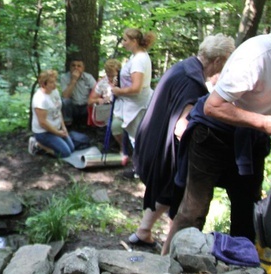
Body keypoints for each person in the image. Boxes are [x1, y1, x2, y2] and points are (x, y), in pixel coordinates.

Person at [162, 17, 271, 255]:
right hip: (212, 135)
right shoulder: (255, 57)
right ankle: (170, 267)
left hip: (250, 137)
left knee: (247, 207)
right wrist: (265, 122)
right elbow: (213, 107)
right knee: (194, 208)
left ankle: (242, 268)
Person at [128, 34, 235, 247]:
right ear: (218, 60)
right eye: (224, 63)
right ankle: (171, 250)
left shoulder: (185, 66)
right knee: (179, 193)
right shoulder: (193, 81)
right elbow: (181, 127)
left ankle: (143, 231)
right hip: (164, 148)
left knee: (165, 191)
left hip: (150, 139)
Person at [111, 28, 156, 165]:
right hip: (133, 103)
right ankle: (140, 167)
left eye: (125, 40)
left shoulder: (139, 60)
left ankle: (143, 170)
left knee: (138, 139)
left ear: (134, 41)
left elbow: (136, 88)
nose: (123, 43)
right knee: (133, 136)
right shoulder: (137, 57)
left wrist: (119, 91)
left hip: (137, 104)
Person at [28, 69, 90, 158]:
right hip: (44, 132)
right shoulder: (40, 99)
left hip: (57, 128)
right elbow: (43, 123)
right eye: (51, 83)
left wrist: (63, 127)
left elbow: (58, 110)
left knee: (72, 148)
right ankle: (37, 144)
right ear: (43, 84)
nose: (55, 85)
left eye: (55, 81)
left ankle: (55, 142)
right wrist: (57, 133)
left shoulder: (54, 91)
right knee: (65, 153)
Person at [88, 58, 122, 144]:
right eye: (108, 75)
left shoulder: (124, 81)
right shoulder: (102, 82)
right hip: (108, 111)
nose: (110, 78)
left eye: (112, 75)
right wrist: (100, 100)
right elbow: (90, 101)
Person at [59, 56, 97, 127]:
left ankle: (93, 128)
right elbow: (65, 96)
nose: (76, 68)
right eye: (73, 65)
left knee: (97, 103)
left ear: (83, 68)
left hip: (86, 106)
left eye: (79, 66)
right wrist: (73, 80)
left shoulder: (88, 77)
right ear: (70, 67)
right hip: (73, 107)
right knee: (65, 101)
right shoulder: (64, 77)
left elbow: (97, 92)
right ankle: (68, 126)